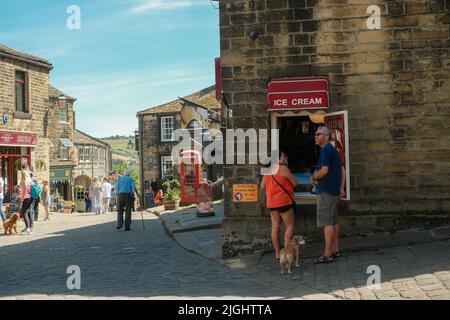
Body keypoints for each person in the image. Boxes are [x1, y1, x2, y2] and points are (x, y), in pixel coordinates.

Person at [311, 126, 343, 264]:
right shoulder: (331, 150)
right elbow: (341, 169)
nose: (316, 136)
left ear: (326, 136)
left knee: (327, 222)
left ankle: (327, 254)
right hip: (333, 190)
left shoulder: (325, 150)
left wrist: (314, 178)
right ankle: (335, 250)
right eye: (315, 134)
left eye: (318, 134)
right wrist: (340, 187)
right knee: (333, 221)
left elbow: (324, 171)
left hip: (326, 191)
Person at [261, 151, 298, 260]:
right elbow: (295, 183)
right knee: (290, 226)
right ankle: (286, 253)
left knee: (275, 228)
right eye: (283, 157)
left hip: (272, 203)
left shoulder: (268, 170)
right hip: (283, 202)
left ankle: (278, 254)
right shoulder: (283, 169)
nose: (285, 159)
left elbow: (262, 186)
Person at [19, 163, 34, 235]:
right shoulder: (30, 180)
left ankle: (28, 228)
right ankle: (30, 228)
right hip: (31, 197)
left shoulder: (25, 181)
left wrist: (21, 201)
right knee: (29, 212)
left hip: (26, 198)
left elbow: (24, 192)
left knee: (24, 213)